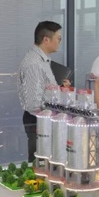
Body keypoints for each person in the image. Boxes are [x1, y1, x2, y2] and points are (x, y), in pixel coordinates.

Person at [18, 21, 70, 162]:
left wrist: (59, 90)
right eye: (58, 38)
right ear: (46, 40)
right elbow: (33, 104)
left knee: (49, 162)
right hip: (39, 121)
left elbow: (43, 91)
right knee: (40, 164)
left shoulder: (42, 60)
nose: (60, 42)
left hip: (45, 119)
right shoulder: (34, 64)